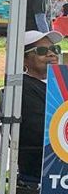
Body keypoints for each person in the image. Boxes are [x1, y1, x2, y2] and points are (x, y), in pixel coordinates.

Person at [18, 30, 62, 184]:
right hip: (46, 163)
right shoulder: (23, 87)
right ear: (24, 59)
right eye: (42, 51)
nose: (51, 54)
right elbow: (40, 129)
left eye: (55, 49)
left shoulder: (59, 85)